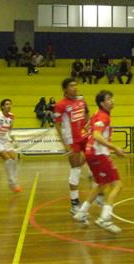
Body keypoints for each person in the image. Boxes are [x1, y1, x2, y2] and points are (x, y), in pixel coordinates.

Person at [72, 90, 124, 234]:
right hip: (98, 154)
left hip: (91, 153)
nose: (112, 101)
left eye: (112, 98)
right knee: (118, 185)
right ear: (102, 103)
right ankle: (104, 218)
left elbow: (88, 127)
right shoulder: (103, 116)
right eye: (108, 99)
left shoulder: (97, 114)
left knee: (101, 185)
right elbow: (96, 134)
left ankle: (82, 212)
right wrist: (115, 148)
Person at [54, 77, 90, 214]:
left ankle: (98, 193)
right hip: (71, 141)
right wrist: (64, 144)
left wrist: (87, 126)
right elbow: (57, 125)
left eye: (76, 85)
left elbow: (87, 115)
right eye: (71, 86)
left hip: (83, 138)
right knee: (75, 169)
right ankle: (74, 204)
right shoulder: (61, 105)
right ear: (65, 89)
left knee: (88, 159)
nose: (75, 88)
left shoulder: (81, 101)